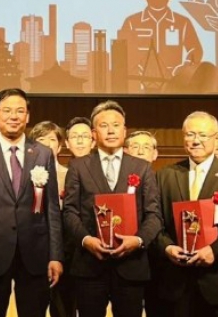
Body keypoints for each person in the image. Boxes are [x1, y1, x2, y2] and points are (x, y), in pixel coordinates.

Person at [0, 89, 64, 317]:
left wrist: (55, 255)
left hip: (35, 253)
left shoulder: (43, 154)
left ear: (27, 116)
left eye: (20, 111)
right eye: (7, 110)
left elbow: (52, 210)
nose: (13, 116)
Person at [63, 101, 162, 317]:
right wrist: (86, 240)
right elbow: (69, 211)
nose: (110, 131)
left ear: (124, 131)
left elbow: (154, 215)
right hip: (89, 265)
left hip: (131, 265)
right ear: (93, 133)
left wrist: (138, 240)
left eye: (116, 125)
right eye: (104, 125)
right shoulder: (79, 166)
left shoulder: (142, 167)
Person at [156, 112, 218, 317]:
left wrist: (214, 251)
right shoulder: (165, 175)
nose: (196, 140)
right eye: (190, 134)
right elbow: (155, 219)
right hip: (176, 281)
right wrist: (167, 247)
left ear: (216, 138)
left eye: (202, 135)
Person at [118, 0, 202, 89]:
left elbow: (196, 50)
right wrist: (137, 70)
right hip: (138, 88)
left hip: (173, 86)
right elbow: (121, 55)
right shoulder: (131, 22)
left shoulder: (183, 23)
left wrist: (184, 68)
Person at [29, 121, 74, 317]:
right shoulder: (24, 175)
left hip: (65, 248)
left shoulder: (71, 174)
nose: (47, 144)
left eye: (52, 140)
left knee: (63, 307)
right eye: (41, 139)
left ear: (60, 145)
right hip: (34, 247)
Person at [123, 129, 165, 317]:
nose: (140, 151)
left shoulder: (165, 179)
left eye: (146, 147)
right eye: (135, 146)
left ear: (155, 154)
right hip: (128, 257)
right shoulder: (116, 182)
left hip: (160, 257)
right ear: (125, 151)